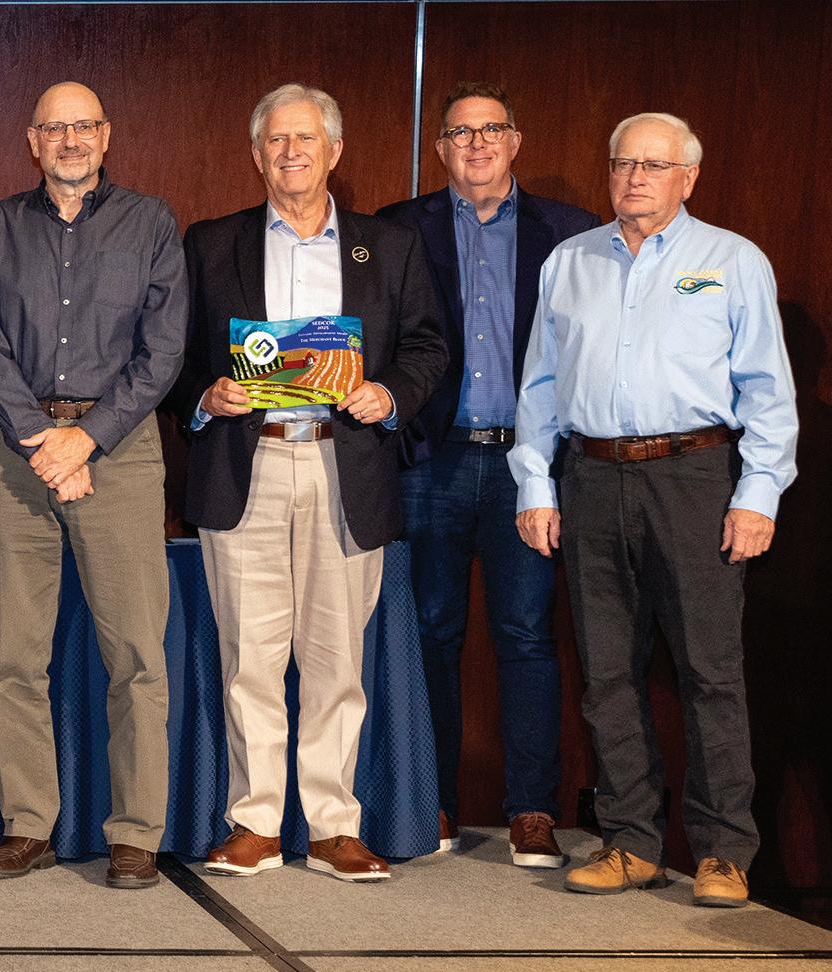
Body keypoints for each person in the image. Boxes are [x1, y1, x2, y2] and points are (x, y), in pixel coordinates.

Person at [513, 113, 797, 908]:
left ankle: (722, 851)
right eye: (621, 163)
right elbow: (538, 384)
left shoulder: (731, 260)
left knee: (709, 671)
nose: (633, 177)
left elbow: (767, 389)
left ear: (688, 177)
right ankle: (630, 841)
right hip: (590, 475)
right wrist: (534, 485)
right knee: (605, 671)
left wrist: (757, 493)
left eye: (652, 164)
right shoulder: (570, 261)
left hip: (694, 476)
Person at [183, 84, 446, 884]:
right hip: (247, 465)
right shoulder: (211, 243)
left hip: (345, 465)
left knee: (336, 658)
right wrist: (205, 394)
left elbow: (429, 346)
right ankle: (254, 822)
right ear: (254, 154)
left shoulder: (387, 246)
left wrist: (388, 394)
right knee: (248, 658)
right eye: (275, 140)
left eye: (304, 139)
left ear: (334, 150)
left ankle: (334, 825)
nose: (290, 153)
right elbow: (172, 355)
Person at [0, 82, 186, 889]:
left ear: (105, 134)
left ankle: (135, 831)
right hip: (15, 451)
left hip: (116, 449)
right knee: (14, 655)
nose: (69, 139)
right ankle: (28, 824)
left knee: (135, 654)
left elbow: (164, 351)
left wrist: (86, 437)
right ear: (32, 140)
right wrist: (43, 438)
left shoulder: (150, 222)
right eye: (53, 127)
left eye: (83, 125)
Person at [375, 83, 598, 866]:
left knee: (526, 634)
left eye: (490, 129)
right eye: (459, 132)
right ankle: (429, 798)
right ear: (439, 148)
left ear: (514, 141)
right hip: (428, 460)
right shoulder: (395, 229)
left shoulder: (569, 233)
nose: (475, 144)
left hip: (525, 466)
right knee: (428, 631)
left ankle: (531, 808)